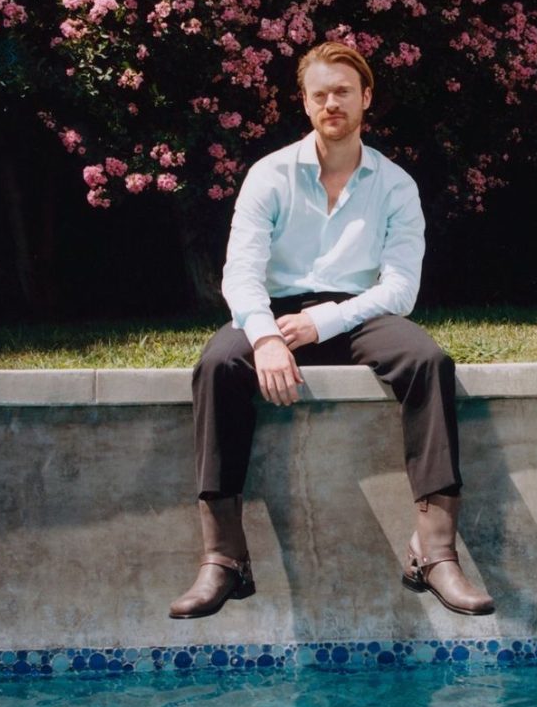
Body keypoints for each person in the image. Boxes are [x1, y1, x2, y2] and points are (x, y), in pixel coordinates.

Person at [169, 41, 494, 619]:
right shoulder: (269, 176)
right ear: (305, 102)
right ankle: (223, 557)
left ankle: (435, 550)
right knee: (219, 362)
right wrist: (266, 337)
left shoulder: (395, 185)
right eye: (319, 93)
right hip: (274, 314)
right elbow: (240, 274)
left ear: (366, 98)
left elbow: (400, 289)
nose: (331, 102)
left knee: (428, 361)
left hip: (359, 313)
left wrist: (323, 322)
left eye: (343, 91)